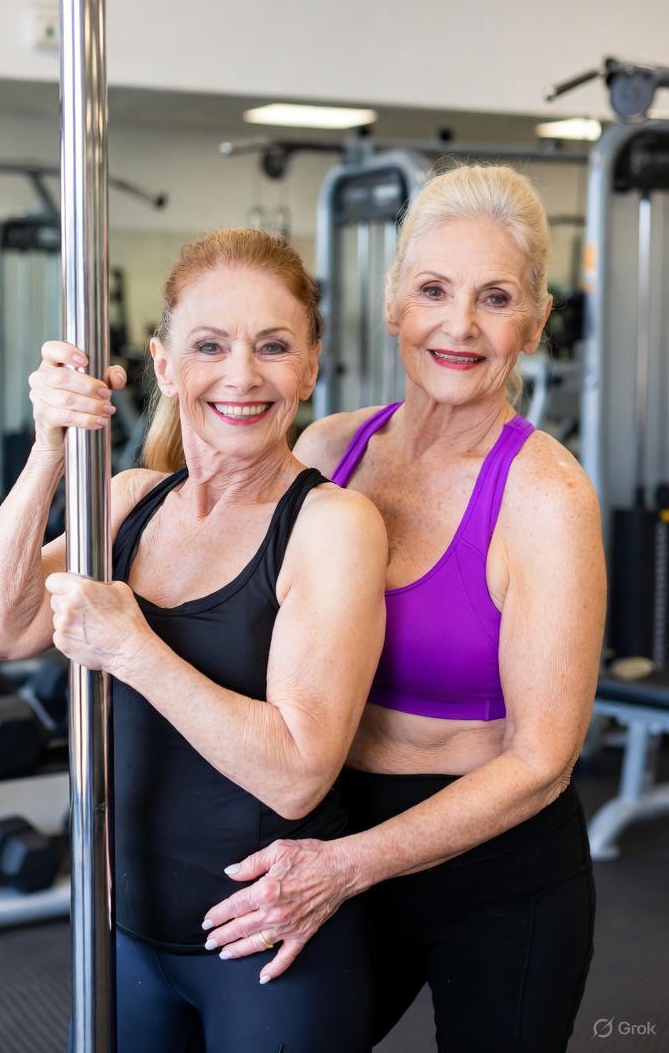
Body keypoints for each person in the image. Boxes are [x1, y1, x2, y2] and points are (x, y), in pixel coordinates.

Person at [201, 166, 607, 1053]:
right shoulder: (329, 447)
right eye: (433, 291)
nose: (459, 326)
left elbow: (542, 762)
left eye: (495, 299)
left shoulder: (545, 496)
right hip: (332, 826)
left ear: (534, 323)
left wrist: (344, 867)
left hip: (493, 869)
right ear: (394, 306)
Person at [0, 228, 389, 1053]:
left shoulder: (331, 526)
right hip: (125, 936)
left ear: (309, 364)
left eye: (272, 346)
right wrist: (50, 451)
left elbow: (297, 773)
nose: (241, 375)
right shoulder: (124, 501)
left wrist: (135, 651)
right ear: (161, 364)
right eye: (209, 345)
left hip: (264, 953)